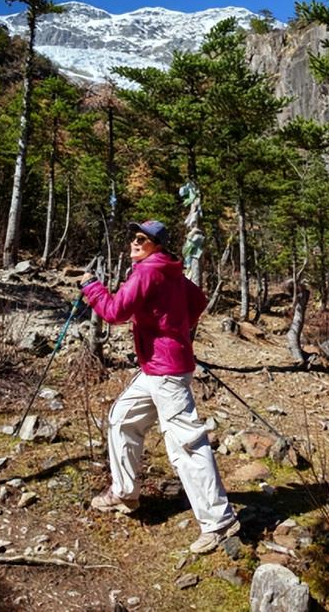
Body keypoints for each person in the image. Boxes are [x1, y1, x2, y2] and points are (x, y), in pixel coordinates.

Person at [81, 219, 239, 554]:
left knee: (185, 445)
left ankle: (219, 523)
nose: (135, 243)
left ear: (157, 245)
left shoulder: (149, 271)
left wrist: (91, 287)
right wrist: (177, 328)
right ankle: (125, 492)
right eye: (134, 237)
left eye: (143, 239)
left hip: (165, 371)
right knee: (122, 419)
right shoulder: (171, 271)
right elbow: (198, 301)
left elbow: (113, 312)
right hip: (158, 367)